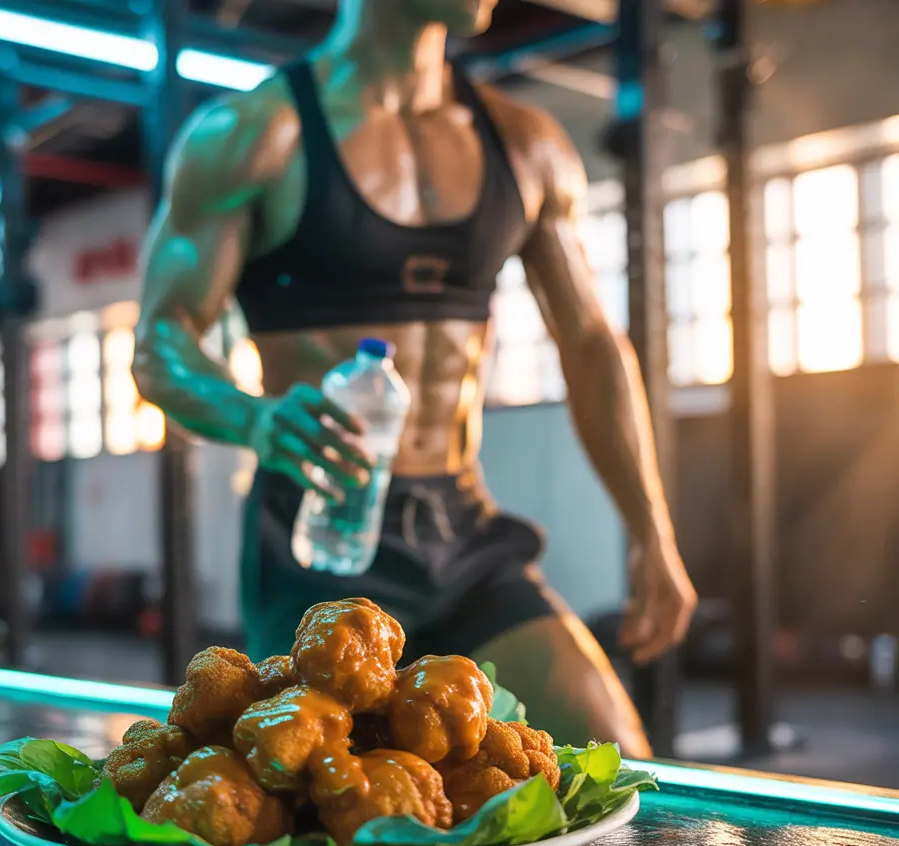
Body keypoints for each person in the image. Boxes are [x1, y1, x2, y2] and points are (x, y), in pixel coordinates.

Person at [134, 0, 697, 757]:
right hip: (319, 539)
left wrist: (651, 532)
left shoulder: (525, 143)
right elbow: (159, 343)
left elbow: (592, 343)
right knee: (324, 804)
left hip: (461, 528)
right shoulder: (254, 133)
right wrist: (254, 419)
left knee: (619, 760)